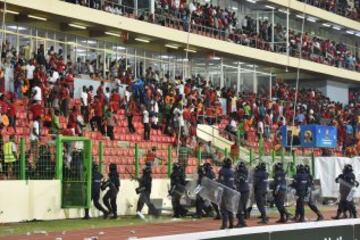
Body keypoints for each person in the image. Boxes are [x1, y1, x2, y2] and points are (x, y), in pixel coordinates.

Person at [218, 158, 235, 229]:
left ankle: (224, 225)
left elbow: (220, 181)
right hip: (231, 191)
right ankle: (231, 224)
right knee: (230, 208)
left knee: (224, 209)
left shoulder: (222, 171)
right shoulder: (232, 171)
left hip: (224, 192)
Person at [234, 161, 249, 227]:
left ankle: (242, 222)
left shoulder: (239, 173)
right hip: (246, 191)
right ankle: (242, 222)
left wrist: (237, 171)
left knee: (239, 207)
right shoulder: (245, 171)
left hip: (241, 191)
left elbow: (239, 180)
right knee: (242, 207)